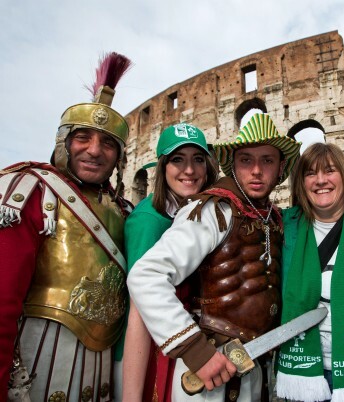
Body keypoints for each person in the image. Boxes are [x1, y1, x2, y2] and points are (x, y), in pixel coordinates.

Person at [127, 113, 301, 401]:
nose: (256, 170)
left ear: (281, 167)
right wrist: (196, 351)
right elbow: (147, 276)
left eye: (267, 160)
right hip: (208, 368)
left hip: (253, 366)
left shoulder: (273, 217)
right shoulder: (212, 209)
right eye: (246, 160)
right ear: (232, 165)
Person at [0, 52, 133, 402]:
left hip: (104, 371)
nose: (95, 151)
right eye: (83, 138)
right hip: (36, 365)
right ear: (64, 142)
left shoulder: (124, 211)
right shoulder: (32, 192)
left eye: (108, 143)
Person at [119, 123, 218, 402]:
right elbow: (139, 306)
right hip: (146, 352)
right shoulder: (149, 219)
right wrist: (131, 396)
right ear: (162, 167)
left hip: (172, 341)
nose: (189, 170)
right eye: (178, 160)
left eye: (198, 160)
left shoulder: (188, 211)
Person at [276, 143, 344, 402]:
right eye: (310, 173)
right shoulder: (282, 226)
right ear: (301, 182)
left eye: (330, 171)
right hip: (304, 373)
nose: (321, 180)